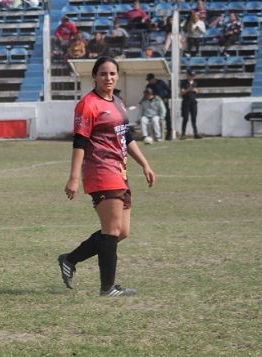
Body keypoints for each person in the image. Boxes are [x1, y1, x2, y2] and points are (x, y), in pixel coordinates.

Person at [58, 56, 156, 297]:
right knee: (111, 230)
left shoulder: (118, 103)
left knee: (121, 231)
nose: (109, 78)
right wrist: (73, 177)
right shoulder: (88, 104)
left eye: (112, 73)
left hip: (120, 172)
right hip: (101, 171)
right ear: (94, 76)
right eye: (103, 74)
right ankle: (108, 287)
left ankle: (69, 259)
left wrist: (145, 164)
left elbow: (127, 137)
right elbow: (80, 141)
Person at [146, 73, 171, 140]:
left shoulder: (161, 82)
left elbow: (169, 90)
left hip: (164, 102)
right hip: (155, 105)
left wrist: (167, 97)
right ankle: (156, 136)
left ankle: (169, 135)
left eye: (149, 80)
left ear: (153, 79)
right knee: (155, 119)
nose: (149, 81)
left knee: (167, 118)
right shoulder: (148, 86)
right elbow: (146, 95)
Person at [180, 70, 201, 139]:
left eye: (193, 76)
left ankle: (195, 133)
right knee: (185, 118)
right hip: (186, 102)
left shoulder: (195, 83)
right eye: (191, 76)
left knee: (194, 119)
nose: (192, 77)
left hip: (193, 102)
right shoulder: (184, 83)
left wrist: (196, 91)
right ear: (188, 75)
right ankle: (183, 134)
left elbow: (197, 91)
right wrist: (188, 90)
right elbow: (182, 93)